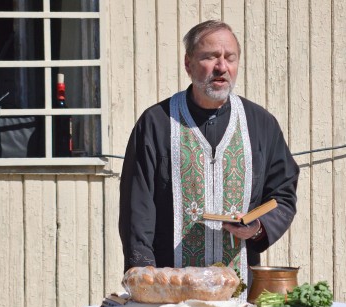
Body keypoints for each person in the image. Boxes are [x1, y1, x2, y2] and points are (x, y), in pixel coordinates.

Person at [119, 20, 299, 291]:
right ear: (188, 64)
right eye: (210, 57)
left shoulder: (261, 124)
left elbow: (283, 194)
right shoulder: (156, 123)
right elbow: (137, 209)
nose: (221, 67)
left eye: (230, 58)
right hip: (171, 294)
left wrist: (257, 227)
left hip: (239, 293)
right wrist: (147, 281)